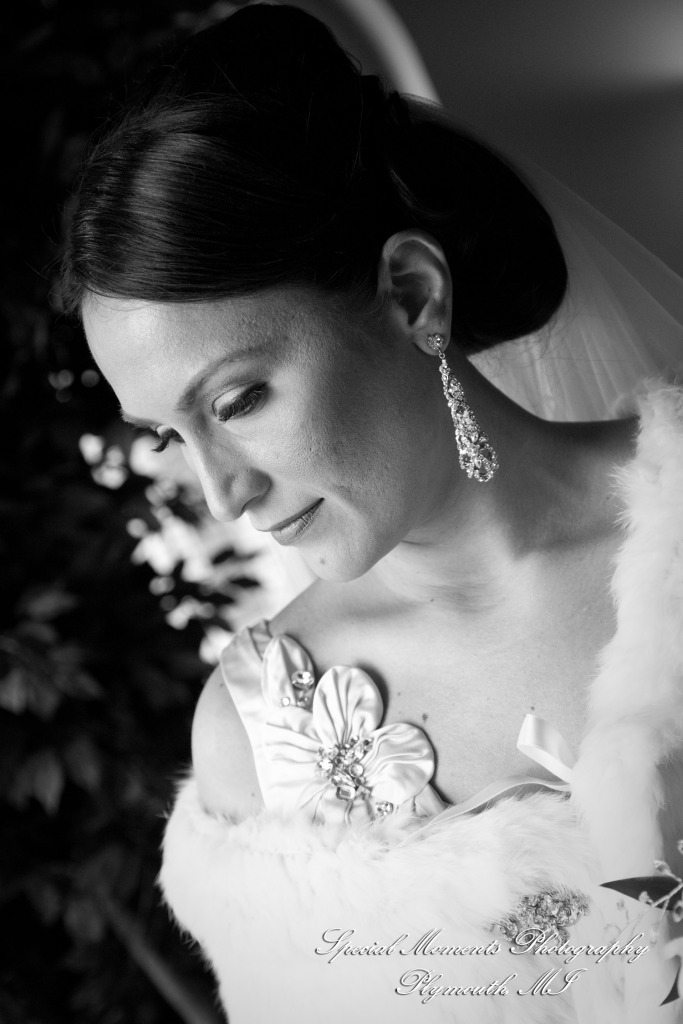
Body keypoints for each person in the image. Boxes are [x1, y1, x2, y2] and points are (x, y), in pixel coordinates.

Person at [61, 5, 683, 1022]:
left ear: (408, 294)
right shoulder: (257, 742)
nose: (225, 494)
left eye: (238, 401)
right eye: (173, 437)